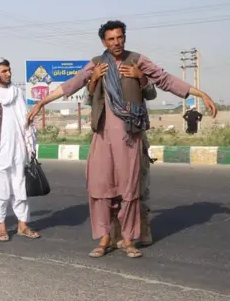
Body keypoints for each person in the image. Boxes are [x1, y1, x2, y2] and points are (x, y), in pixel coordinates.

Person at [27, 20, 217, 259]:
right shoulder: (97, 64)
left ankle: (128, 239)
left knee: (130, 189)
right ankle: (105, 238)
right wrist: (42, 102)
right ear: (104, 42)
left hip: (130, 135)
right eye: (111, 39)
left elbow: (165, 80)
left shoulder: (137, 60)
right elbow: (71, 84)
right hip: (102, 135)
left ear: (124, 37)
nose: (116, 42)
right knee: (100, 187)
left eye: (120, 37)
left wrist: (200, 93)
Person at [82, 65, 156, 248]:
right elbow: (88, 99)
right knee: (110, 186)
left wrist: (140, 77)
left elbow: (151, 93)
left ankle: (143, 226)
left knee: (138, 185)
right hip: (106, 137)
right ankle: (115, 231)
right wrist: (94, 79)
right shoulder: (101, 72)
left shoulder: (132, 68)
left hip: (133, 135)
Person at [0, 58, 40, 242]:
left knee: (20, 188)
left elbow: (26, 119)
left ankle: (22, 224)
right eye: (4, 71)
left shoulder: (17, 92)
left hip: (18, 150)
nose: (8, 74)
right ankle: (1, 226)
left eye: (9, 70)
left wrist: (30, 145)